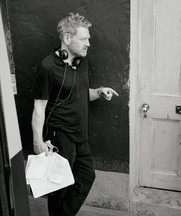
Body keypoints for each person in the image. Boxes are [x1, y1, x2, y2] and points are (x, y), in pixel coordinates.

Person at [31, 12, 119, 216]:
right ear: (67, 38)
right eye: (84, 39)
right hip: (60, 137)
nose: (88, 43)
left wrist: (98, 91)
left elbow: (78, 94)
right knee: (58, 188)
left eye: (89, 39)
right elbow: (39, 107)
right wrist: (37, 141)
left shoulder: (81, 63)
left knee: (86, 177)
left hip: (80, 136)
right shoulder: (47, 67)